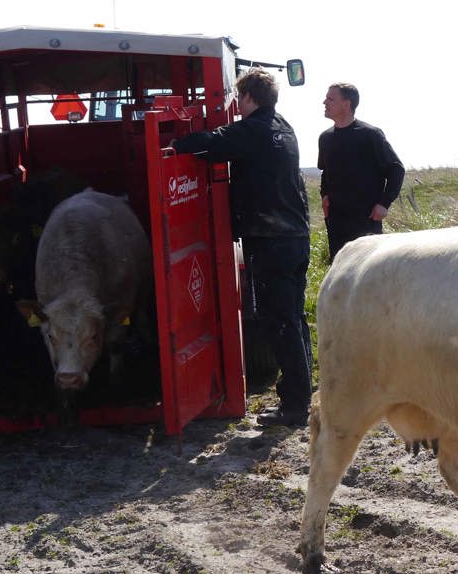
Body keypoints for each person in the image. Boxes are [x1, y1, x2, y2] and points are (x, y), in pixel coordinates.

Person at [172, 68, 312, 427]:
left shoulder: (253, 130)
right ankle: (301, 394)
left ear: (249, 97)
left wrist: (174, 144)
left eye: (238, 97)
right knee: (293, 319)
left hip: (271, 241)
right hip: (294, 237)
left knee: (280, 322)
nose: (235, 104)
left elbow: (209, 144)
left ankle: (295, 406)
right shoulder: (283, 127)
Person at [318, 83, 405, 261]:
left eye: (330, 99)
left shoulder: (370, 135)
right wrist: (324, 196)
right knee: (340, 271)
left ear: (346, 104)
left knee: (367, 273)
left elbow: (396, 169)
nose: (324, 102)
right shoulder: (325, 138)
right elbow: (325, 172)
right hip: (336, 221)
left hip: (366, 219)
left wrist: (384, 204)